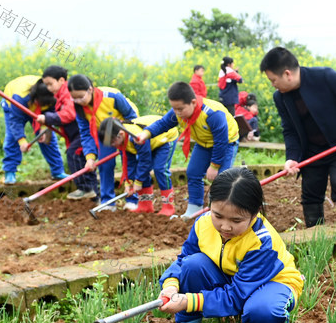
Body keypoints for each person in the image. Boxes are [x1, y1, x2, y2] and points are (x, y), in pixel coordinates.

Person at [158, 167, 304, 323]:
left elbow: (237, 296)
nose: (225, 227)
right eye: (218, 216)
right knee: (192, 266)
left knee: (262, 310)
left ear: (254, 214)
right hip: (233, 277)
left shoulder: (261, 242)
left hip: (272, 283)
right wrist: (170, 285)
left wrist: (188, 300)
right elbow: (184, 258)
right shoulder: (203, 223)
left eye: (236, 220)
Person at [260, 46, 336, 227]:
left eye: (273, 80)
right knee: (311, 193)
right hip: (311, 150)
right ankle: (315, 238)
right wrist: (292, 158)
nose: (273, 85)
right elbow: (290, 130)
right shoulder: (281, 98)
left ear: (287, 74)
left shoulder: (325, 77)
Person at [136, 81, 239, 219]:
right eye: (174, 109)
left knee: (222, 178)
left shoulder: (213, 113)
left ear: (193, 102)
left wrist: (214, 166)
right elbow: (163, 124)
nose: (177, 113)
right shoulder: (179, 112)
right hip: (203, 143)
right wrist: (146, 134)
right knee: (193, 173)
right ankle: (194, 210)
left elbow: (221, 141)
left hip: (226, 144)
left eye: (180, 109)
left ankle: (218, 212)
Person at [69, 75, 140, 205]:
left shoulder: (112, 96)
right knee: (105, 165)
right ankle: (108, 201)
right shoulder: (79, 108)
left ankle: (132, 200)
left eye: (81, 97)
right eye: (74, 98)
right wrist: (90, 158)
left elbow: (132, 117)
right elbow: (86, 133)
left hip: (125, 131)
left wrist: (125, 136)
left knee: (130, 163)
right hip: (104, 133)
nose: (78, 101)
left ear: (90, 90)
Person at [98, 116, 178, 215]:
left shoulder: (134, 136)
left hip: (165, 137)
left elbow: (145, 161)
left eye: (113, 142)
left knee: (160, 169)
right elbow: (129, 164)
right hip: (151, 142)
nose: (113, 146)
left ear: (121, 134)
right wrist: (129, 182)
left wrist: (138, 181)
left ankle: (168, 206)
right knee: (141, 171)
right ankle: (145, 205)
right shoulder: (122, 141)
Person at [0, 75, 68, 185]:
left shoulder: (52, 94)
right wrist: (22, 141)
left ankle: (57, 171)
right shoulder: (19, 98)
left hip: (39, 110)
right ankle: (10, 171)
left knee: (48, 137)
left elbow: (50, 112)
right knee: (12, 137)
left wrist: (43, 128)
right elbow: (15, 123)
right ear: (36, 99)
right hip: (13, 104)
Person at [40, 65, 94, 198]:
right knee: (81, 158)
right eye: (46, 85)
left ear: (61, 81)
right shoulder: (60, 95)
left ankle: (86, 189)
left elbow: (69, 114)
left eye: (50, 84)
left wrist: (48, 117)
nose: (48, 88)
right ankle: (91, 189)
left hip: (82, 133)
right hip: (74, 134)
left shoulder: (68, 93)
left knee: (75, 155)